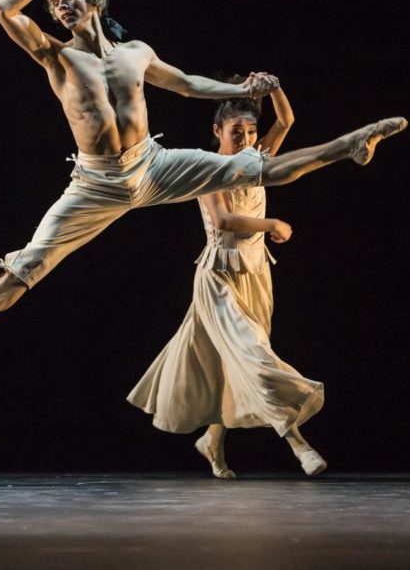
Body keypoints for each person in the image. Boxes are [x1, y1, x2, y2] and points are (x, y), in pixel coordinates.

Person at [0, 0, 407, 372]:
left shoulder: (136, 53)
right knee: (30, 265)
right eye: (55, 4)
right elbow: (3, 9)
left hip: (152, 164)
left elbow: (186, 85)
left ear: (93, 0)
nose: (60, 8)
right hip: (96, 183)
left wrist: (240, 88)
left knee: (261, 166)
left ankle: (352, 144)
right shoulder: (55, 55)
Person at [128, 86, 328, 479]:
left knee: (234, 361)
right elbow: (221, 221)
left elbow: (286, 121)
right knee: (255, 358)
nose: (247, 140)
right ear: (217, 130)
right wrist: (269, 223)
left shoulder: (256, 160)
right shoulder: (204, 168)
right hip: (218, 278)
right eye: (238, 132)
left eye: (252, 133)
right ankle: (297, 443)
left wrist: (273, 88)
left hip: (256, 274)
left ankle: (212, 441)